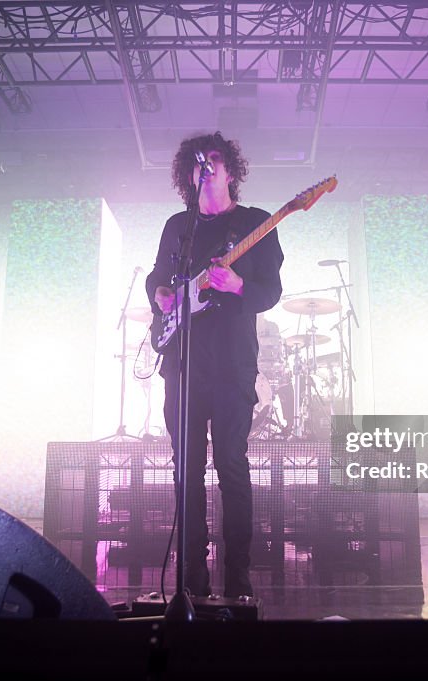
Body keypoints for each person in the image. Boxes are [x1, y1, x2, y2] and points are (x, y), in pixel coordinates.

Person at [145, 132, 284, 598]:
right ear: (188, 174)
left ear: (231, 171)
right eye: (197, 162)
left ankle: (238, 576)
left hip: (231, 365)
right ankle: (191, 579)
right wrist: (161, 295)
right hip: (182, 365)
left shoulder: (256, 223)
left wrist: (238, 284)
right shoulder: (177, 227)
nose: (206, 166)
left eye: (215, 159)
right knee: (187, 469)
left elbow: (269, 293)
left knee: (231, 465)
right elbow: (158, 279)